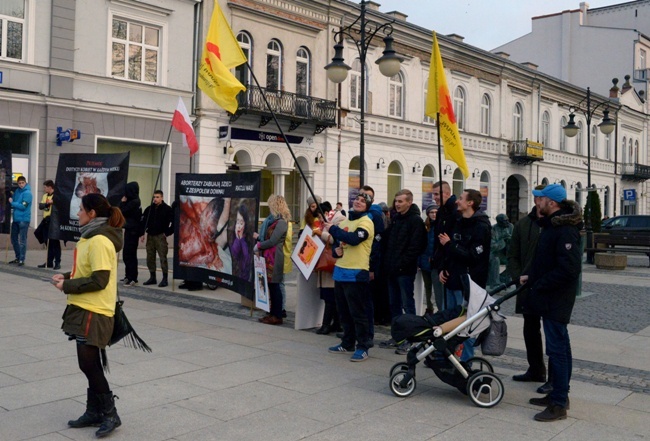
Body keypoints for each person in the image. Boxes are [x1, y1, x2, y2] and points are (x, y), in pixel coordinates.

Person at [52, 193, 125, 437]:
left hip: (96, 310)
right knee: (89, 364)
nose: (77, 213)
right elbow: (86, 271)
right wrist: (67, 276)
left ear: (92, 213)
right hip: (84, 308)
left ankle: (110, 414)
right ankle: (95, 411)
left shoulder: (100, 240)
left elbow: (100, 280)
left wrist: (67, 286)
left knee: (88, 364)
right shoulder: (90, 237)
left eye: (81, 209)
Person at [522, 184, 582, 422]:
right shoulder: (552, 226)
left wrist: (540, 283)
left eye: (541, 199)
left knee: (557, 350)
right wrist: (531, 277)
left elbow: (569, 270)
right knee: (560, 348)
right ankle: (558, 395)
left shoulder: (564, 230)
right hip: (549, 296)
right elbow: (548, 261)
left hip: (556, 299)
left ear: (552, 203)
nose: (537, 202)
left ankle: (558, 403)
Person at [438, 189, 491, 361]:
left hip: (468, 284)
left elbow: (474, 256)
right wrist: (443, 269)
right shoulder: (458, 221)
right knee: (449, 319)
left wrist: (451, 245)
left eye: (461, 198)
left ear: (470, 203)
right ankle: (447, 354)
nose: (457, 201)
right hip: (451, 279)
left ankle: (466, 360)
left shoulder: (481, 226)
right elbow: (447, 250)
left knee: (466, 322)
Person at [324, 192, 374, 362]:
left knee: (358, 312)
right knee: (343, 311)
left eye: (363, 201)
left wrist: (333, 229)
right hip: (340, 271)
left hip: (357, 273)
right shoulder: (345, 221)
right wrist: (335, 250)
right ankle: (347, 342)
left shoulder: (366, 222)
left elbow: (353, 239)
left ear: (367, 206)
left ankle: (363, 346)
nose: (358, 202)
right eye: (357, 199)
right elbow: (339, 244)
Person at [508, 186, 548, 389]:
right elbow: (512, 255)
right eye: (538, 198)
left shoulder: (554, 225)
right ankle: (536, 369)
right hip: (527, 287)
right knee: (530, 329)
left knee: (552, 332)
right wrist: (518, 277)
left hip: (548, 287)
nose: (540, 201)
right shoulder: (523, 225)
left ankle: (553, 378)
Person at [380, 189, 427, 355]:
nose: (397, 204)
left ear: (409, 202)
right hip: (392, 269)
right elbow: (388, 242)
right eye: (396, 201)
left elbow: (416, 247)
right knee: (394, 305)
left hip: (404, 270)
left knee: (408, 304)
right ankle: (397, 336)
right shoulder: (395, 219)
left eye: (400, 201)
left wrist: (401, 264)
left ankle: (411, 338)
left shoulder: (415, 221)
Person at [254, 195, 290, 325]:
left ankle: (277, 315)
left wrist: (258, 245)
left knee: (275, 286)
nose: (269, 207)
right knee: (270, 285)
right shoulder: (275, 221)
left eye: (270, 205)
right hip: (269, 256)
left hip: (275, 257)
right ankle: (272, 312)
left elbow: (273, 240)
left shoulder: (281, 222)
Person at [314, 202, 343, 335]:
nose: (319, 220)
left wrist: (321, 233)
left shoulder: (339, 219)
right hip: (325, 263)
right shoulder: (327, 220)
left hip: (332, 262)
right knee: (329, 296)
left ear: (325, 213)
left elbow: (336, 238)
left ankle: (327, 324)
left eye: (320, 216)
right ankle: (336, 323)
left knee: (330, 297)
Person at [430, 180, 457, 311]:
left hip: (450, 263)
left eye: (437, 194)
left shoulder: (455, 211)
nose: (434, 198)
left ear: (447, 193)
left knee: (452, 303)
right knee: (440, 300)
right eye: (433, 194)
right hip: (439, 260)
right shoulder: (441, 211)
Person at [141, 190, 174, 287]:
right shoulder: (149, 209)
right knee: (150, 257)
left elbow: (174, 223)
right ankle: (152, 277)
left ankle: (165, 278)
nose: (155, 199)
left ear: (162, 198)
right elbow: (144, 222)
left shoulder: (167, 209)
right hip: (150, 235)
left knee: (162, 257)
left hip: (160, 236)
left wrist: (167, 233)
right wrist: (142, 233)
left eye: (157, 197)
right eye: (154, 197)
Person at [119, 182, 142, 286]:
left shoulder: (134, 202)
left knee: (130, 254)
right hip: (130, 230)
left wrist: (122, 202)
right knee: (127, 254)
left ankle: (132, 277)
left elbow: (121, 211)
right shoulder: (133, 201)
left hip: (133, 231)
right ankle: (128, 275)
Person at [418, 203, 438, 315]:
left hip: (436, 262)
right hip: (425, 261)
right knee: (428, 287)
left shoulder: (441, 225)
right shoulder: (425, 227)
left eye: (436, 212)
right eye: (432, 212)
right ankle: (429, 308)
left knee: (438, 288)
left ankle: (439, 308)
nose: (434, 214)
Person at [37, 179, 62, 270]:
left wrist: (51, 202)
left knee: (54, 242)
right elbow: (41, 206)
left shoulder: (56, 196)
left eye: (45, 187)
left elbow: (60, 205)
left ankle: (57, 261)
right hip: (46, 220)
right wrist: (47, 204)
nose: (44, 189)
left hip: (54, 220)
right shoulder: (45, 196)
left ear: (50, 187)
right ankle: (49, 261)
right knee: (47, 242)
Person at [8, 176, 32, 266]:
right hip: (16, 219)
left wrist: (12, 203)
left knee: (22, 240)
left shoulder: (28, 193)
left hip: (24, 219)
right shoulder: (17, 191)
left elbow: (23, 206)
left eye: (22, 183)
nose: (21, 184)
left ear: (25, 183)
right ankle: (18, 257)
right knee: (13, 239)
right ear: (17, 184)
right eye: (19, 183)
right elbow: (13, 200)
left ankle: (22, 259)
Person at [487, 213, 513, 288]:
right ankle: (495, 283)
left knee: (513, 260)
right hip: (496, 253)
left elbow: (515, 241)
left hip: (507, 253)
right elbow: (492, 246)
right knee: (495, 260)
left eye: (508, 220)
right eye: (505, 221)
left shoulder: (510, 227)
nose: (507, 222)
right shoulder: (493, 229)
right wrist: (502, 239)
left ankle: (504, 278)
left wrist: (509, 239)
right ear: (499, 222)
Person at [231, 201, 255, 282]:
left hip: (247, 277)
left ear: (246, 223)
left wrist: (241, 239)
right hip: (238, 276)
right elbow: (234, 253)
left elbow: (247, 259)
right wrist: (238, 239)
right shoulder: (234, 235)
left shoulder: (249, 236)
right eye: (237, 221)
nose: (239, 225)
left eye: (241, 222)